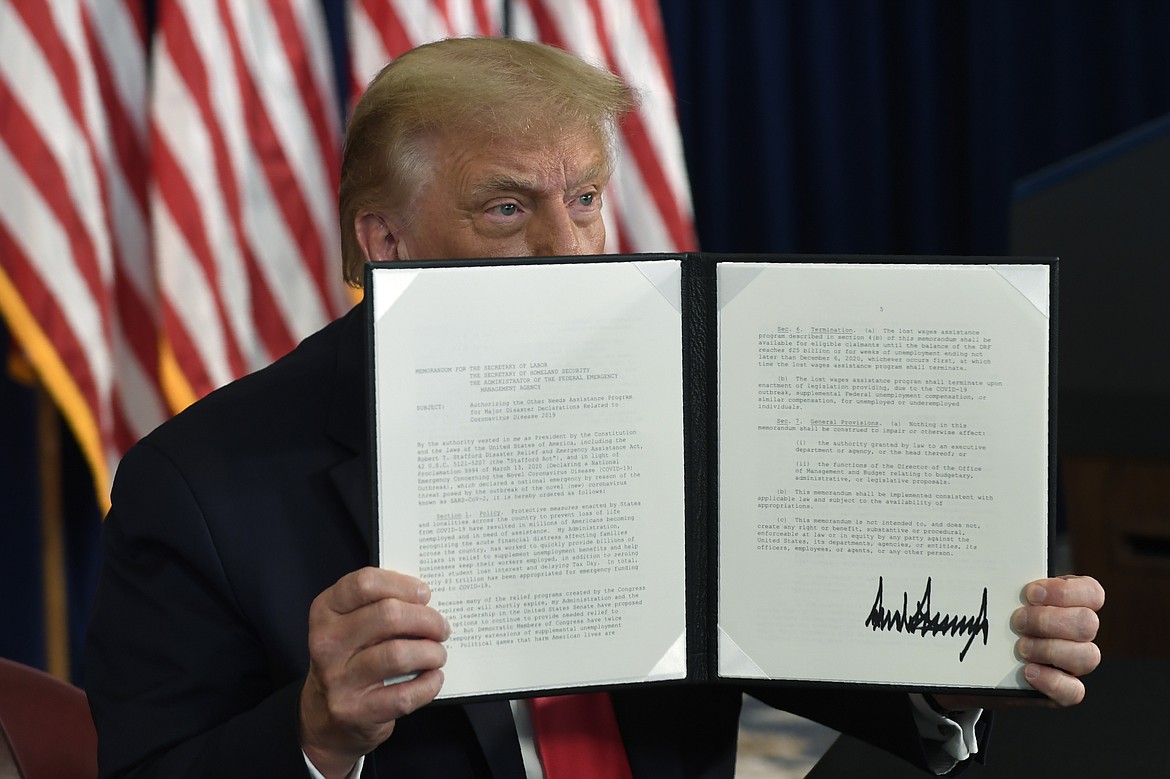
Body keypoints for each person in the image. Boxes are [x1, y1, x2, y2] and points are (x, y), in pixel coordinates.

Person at [85, 37, 1104, 778]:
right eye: (507, 207)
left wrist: (959, 663)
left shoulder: (678, 392)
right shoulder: (199, 482)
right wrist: (317, 732)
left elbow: (780, 633)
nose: (570, 250)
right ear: (385, 241)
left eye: (584, 199)